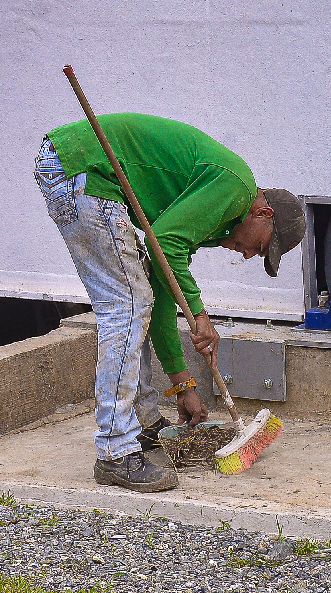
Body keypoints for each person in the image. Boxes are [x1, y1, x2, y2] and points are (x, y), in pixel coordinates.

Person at [35, 112, 303, 492]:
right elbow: (164, 241)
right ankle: (114, 451)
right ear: (263, 213)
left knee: (138, 299)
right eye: (259, 247)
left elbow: (162, 298)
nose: (247, 255)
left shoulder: (213, 212)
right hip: (84, 167)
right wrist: (199, 315)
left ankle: (143, 423)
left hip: (78, 166)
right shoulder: (236, 188)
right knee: (126, 306)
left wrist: (183, 386)